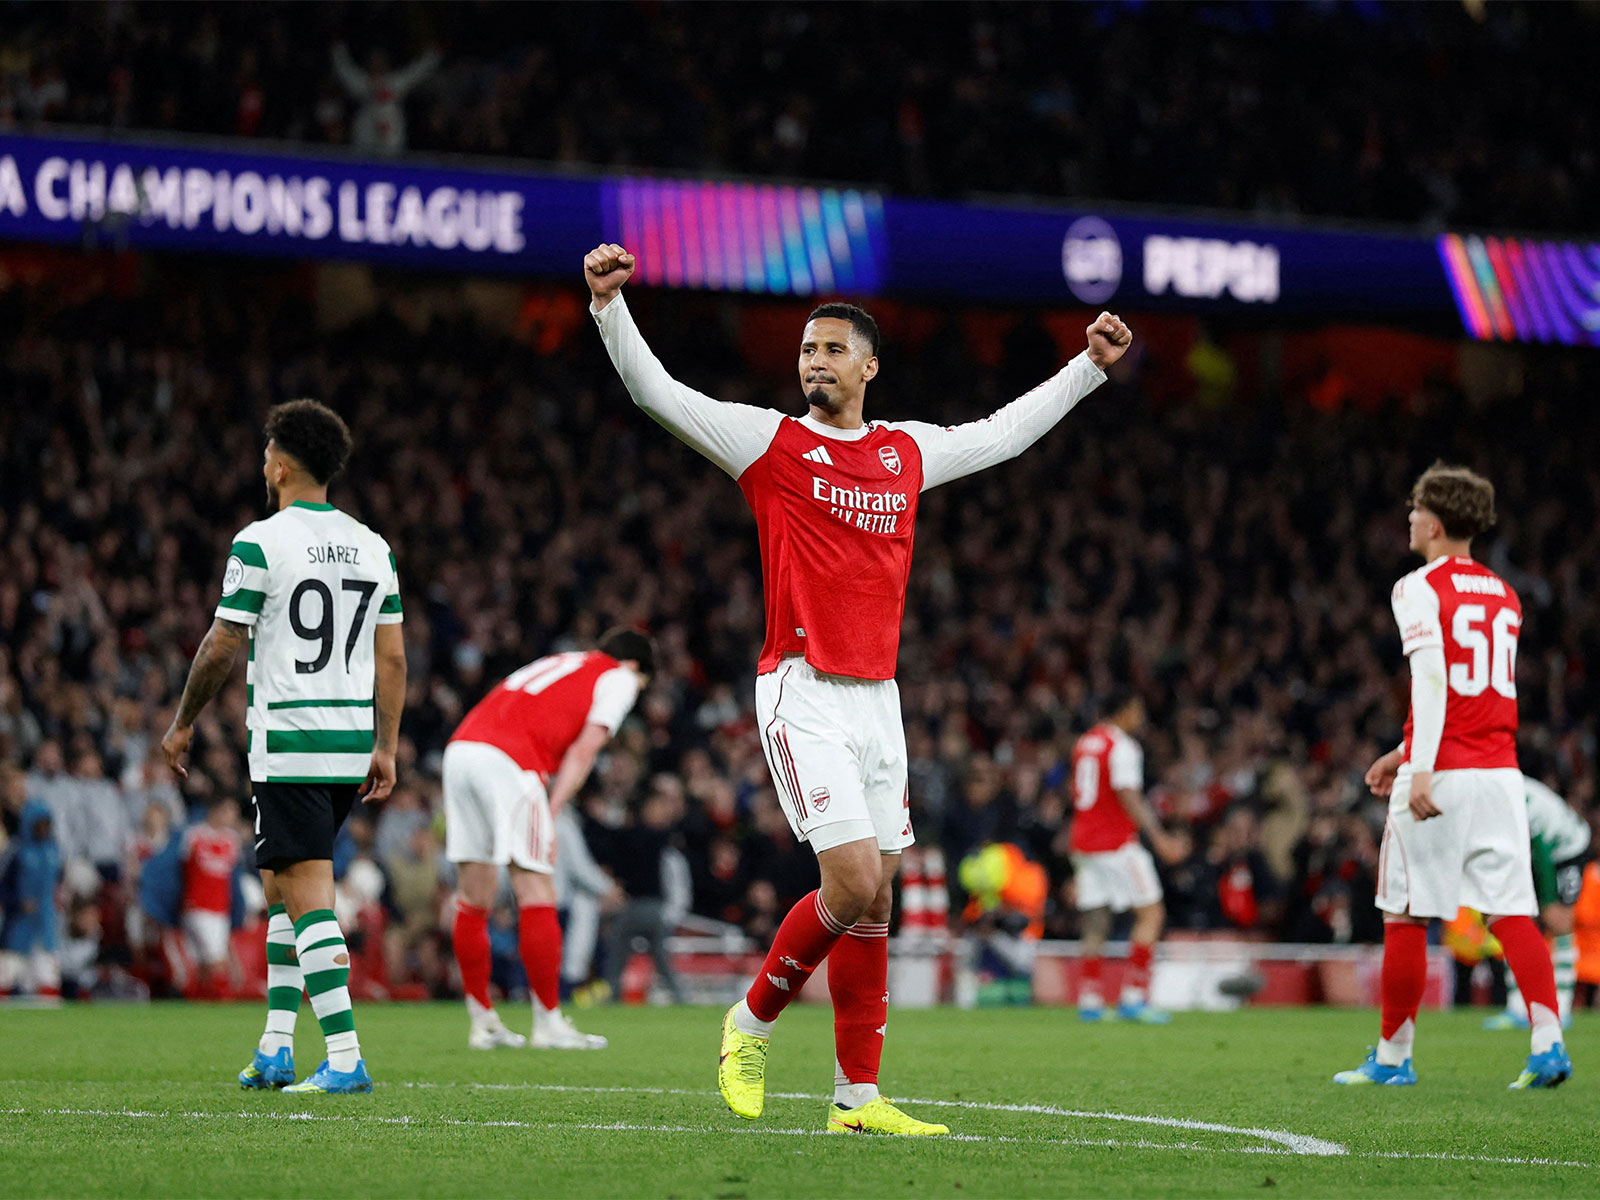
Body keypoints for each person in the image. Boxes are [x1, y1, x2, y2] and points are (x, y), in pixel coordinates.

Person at [584, 241, 1132, 1135]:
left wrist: (1086, 370)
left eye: (832, 349)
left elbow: (1000, 434)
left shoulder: (904, 453)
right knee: (845, 880)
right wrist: (611, 309)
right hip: (802, 688)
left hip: (879, 697)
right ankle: (748, 1022)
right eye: (806, 349)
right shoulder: (772, 442)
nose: (814, 362)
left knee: (877, 894)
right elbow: (659, 395)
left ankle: (857, 1099)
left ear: (869, 366)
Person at [162, 399, 406, 1095]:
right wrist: (385, 745)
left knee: (306, 898)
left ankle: (345, 1056)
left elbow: (221, 644)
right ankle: (274, 1047)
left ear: (279, 464)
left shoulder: (260, 542)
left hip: (291, 739)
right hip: (349, 742)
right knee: (279, 888)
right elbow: (392, 659)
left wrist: (183, 721)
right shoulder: (373, 545)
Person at [1336, 463, 1570, 1089]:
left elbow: (1435, 679)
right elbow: (1477, 695)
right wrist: (1403, 748)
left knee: (1407, 915)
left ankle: (1392, 1058)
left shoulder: (1417, 587)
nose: (1408, 519)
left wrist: (1421, 765)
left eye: (1414, 510)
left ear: (1434, 523)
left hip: (1444, 770)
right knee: (1513, 912)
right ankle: (1548, 1045)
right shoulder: (1505, 593)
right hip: (1500, 774)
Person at [443, 629, 653, 1050]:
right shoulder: (620, 675)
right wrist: (552, 811)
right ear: (635, 666)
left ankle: (482, 1020)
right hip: (510, 762)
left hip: (461, 751)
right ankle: (548, 1023)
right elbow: (585, 749)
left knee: (473, 895)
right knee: (537, 886)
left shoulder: (563, 660)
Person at [1064, 688, 1182, 1023]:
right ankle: (1134, 998)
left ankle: (1089, 1001)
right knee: (1151, 914)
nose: (1141, 718)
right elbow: (1126, 792)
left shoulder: (1086, 743)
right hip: (1115, 844)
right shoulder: (1123, 746)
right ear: (1126, 710)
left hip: (1083, 843)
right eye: (1138, 710)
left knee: (1096, 919)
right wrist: (1159, 837)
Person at [1483, 773, 1592, 1030]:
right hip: (1529, 852)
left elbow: (1540, 850)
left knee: (1559, 922)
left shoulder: (1519, 800)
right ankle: (1517, 1008)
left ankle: (1562, 1008)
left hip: (1567, 850)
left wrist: (1548, 901)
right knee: (1513, 918)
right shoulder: (1493, 792)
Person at [180, 797, 242, 1000]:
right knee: (215, 961)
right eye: (229, 811)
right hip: (197, 906)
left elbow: (234, 878)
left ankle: (202, 1004)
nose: (233, 817)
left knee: (206, 963)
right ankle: (221, 1002)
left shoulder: (232, 840)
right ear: (216, 811)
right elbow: (179, 869)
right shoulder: (194, 835)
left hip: (220, 908)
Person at [0, 800, 63, 997]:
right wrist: (18, 903)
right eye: (39, 824)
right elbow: (2, 886)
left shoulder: (54, 850)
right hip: (19, 924)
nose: (43, 829)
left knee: (48, 979)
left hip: (45, 925)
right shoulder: (17, 850)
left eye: (47, 824)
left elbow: (60, 879)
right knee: (6, 976)